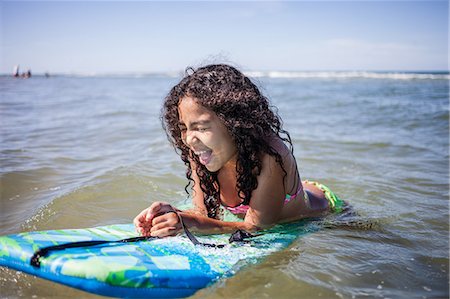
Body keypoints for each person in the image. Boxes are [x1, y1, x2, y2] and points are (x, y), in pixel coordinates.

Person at [134, 64, 344, 238]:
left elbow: (257, 227)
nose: (189, 139)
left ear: (235, 123)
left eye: (202, 127)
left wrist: (191, 223)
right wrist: (169, 216)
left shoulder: (270, 156)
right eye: (183, 128)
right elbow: (202, 214)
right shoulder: (201, 152)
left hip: (323, 210)